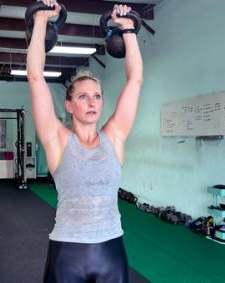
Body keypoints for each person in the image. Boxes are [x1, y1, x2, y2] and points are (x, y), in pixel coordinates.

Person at [26, 0, 143, 282]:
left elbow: (135, 80)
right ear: (69, 105)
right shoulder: (57, 140)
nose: (92, 102)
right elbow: (34, 77)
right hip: (67, 255)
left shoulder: (114, 137)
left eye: (97, 96)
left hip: (112, 251)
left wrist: (128, 30)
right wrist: (41, 20)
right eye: (83, 96)